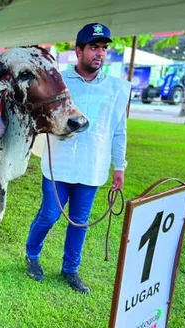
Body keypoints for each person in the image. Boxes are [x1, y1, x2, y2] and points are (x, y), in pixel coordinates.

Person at [25, 23, 131, 294]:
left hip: (92, 167)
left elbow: (119, 130)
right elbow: (39, 115)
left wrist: (119, 166)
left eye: (104, 48)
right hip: (57, 164)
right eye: (94, 47)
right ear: (78, 51)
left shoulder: (117, 89)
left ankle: (70, 270)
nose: (100, 53)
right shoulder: (56, 81)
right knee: (49, 215)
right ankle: (32, 254)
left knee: (80, 221)